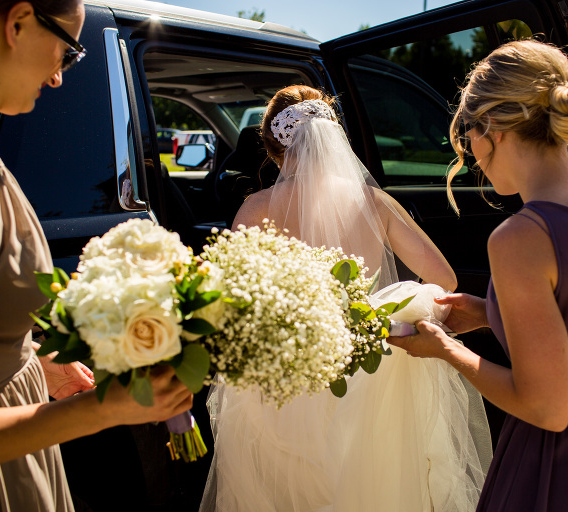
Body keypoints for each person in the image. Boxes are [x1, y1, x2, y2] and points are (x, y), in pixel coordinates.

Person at [0, 2, 193, 510]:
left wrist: (34, 361)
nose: (61, 76)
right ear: (17, 22)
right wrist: (100, 411)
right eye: (68, 49)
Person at [388, 39, 568, 511]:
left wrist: (447, 350)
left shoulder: (520, 238)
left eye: (466, 137)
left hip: (565, 466)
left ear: (493, 128)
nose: (470, 156)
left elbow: (547, 407)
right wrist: (488, 313)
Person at [199, 85, 492, 511]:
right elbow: (444, 279)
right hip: (370, 375)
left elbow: (227, 299)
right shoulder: (375, 203)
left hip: (287, 379)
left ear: (273, 150)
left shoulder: (257, 208)